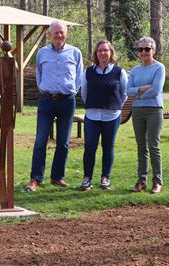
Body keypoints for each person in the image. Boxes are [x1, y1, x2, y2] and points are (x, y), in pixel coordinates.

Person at [25, 20, 83, 191]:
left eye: (62, 32)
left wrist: (70, 91)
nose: (59, 35)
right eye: (55, 32)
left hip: (67, 100)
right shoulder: (42, 53)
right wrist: (46, 90)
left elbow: (79, 77)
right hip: (46, 100)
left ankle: (57, 177)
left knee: (63, 142)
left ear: (66, 34)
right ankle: (36, 178)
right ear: (49, 34)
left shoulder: (75, 53)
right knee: (40, 140)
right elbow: (39, 75)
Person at [79, 40, 128, 191]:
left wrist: (115, 105)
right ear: (96, 53)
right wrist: (94, 105)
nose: (102, 53)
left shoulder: (119, 72)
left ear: (111, 53)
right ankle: (87, 178)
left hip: (112, 116)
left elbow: (125, 93)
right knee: (90, 147)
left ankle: (105, 178)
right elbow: (84, 93)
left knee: (108, 147)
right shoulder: (88, 71)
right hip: (92, 116)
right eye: (100, 51)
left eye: (106, 50)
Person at [126, 36, 166, 194]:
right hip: (137, 111)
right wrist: (142, 89)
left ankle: (157, 181)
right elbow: (127, 90)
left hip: (154, 110)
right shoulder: (135, 70)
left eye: (147, 49)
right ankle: (141, 180)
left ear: (153, 50)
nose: (143, 52)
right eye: (140, 49)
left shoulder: (159, 68)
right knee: (141, 147)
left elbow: (156, 90)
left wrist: (137, 93)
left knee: (153, 146)